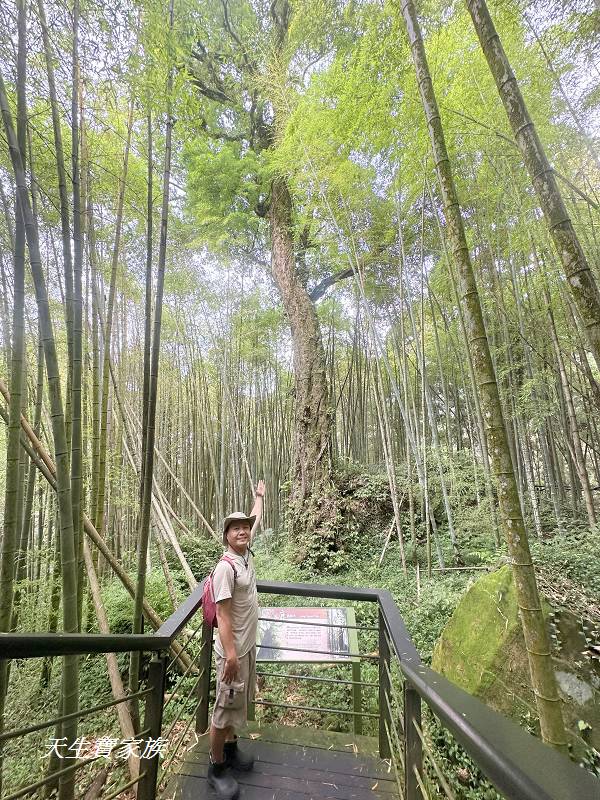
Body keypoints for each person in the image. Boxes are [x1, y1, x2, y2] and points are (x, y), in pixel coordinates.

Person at [207, 480, 265, 800]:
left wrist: (259, 498)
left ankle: (230, 749)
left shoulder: (246, 553)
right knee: (223, 710)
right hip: (232, 654)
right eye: (237, 528)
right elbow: (223, 616)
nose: (243, 531)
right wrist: (230, 655)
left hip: (245, 648)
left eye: (246, 527)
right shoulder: (225, 568)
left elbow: (256, 517)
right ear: (227, 535)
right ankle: (216, 766)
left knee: (234, 705)